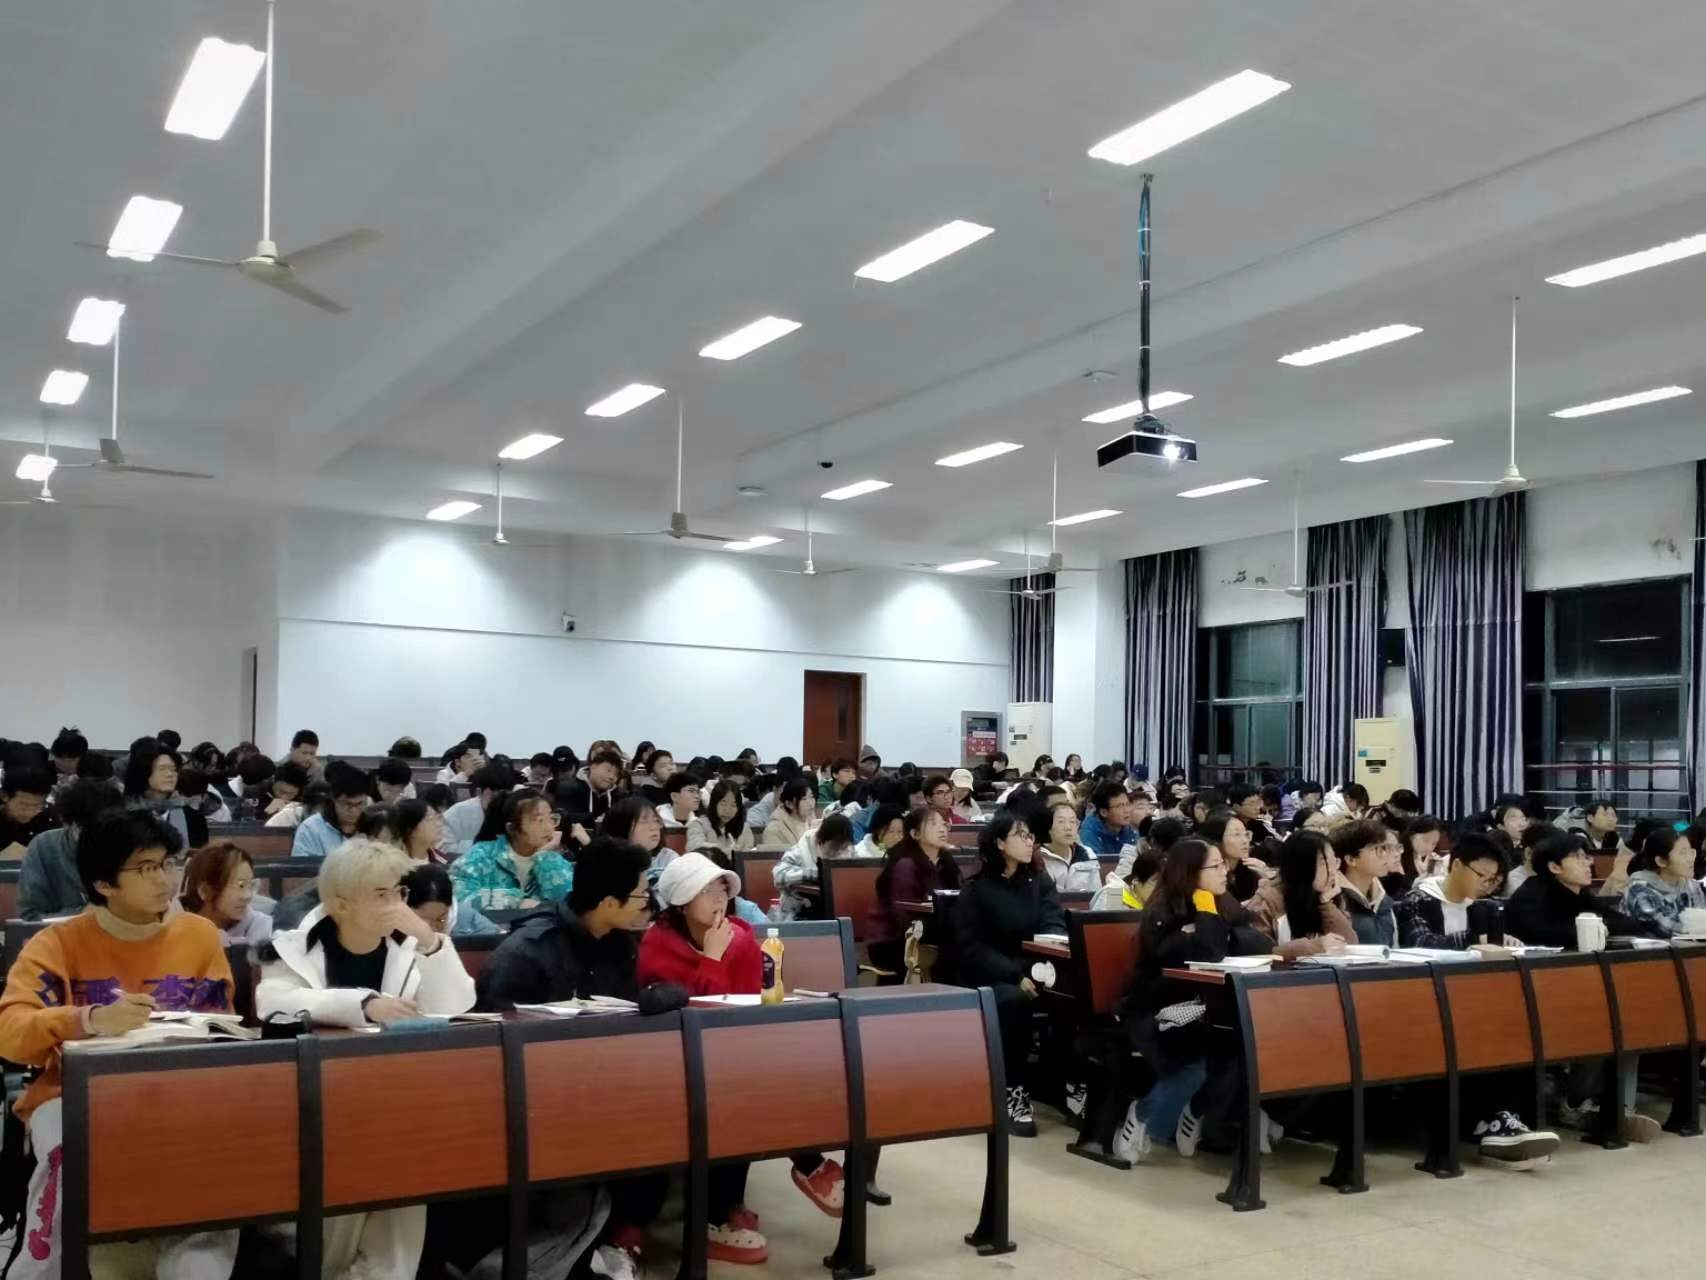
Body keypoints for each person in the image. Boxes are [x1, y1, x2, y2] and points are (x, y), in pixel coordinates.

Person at [0, 809, 238, 1279]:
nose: (165, 879)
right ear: (104, 883)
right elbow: (11, 1032)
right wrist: (88, 1020)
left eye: (168, 864)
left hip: (180, 1092)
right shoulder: (57, 943)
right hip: (73, 1097)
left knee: (225, 1157)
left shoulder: (200, 936)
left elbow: (220, 1024)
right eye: (146, 868)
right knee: (70, 1159)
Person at [257, 837, 475, 1280]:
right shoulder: (292, 947)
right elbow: (274, 1002)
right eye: (381, 895)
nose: (395, 905)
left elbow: (455, 1005)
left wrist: (429, 941)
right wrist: (364, 1003)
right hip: (316, 1108)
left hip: (396, 1107)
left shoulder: (408, 949)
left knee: (402, 1203)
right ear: (341, 902)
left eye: (399, 892)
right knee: (336, 1223)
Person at [637, 853, 845, 1263]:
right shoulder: (657, 946)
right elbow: (694, 1014)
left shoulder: (742, 937)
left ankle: (730, 1207)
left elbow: (751, 1004)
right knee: (736, 1095)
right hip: (677, 1062)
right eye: (706, 891)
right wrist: (711, 958)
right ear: (681, 903)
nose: (719, 898)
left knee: (760, 1082)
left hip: (735, 1057)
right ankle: (797, 1169)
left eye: (722, 888)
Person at [1118, 838, 1278, 1161]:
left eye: (1223, 864)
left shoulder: (1222, 901)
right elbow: (1210, 951)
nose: (1224, 872)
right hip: (1159, 1011)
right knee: (1195, 1061)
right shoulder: (1162, 911)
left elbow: (1257, 942)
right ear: (1190, 873)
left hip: (1209, 1007)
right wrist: (1207, 913)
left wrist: (1213, 924)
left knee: (1243, 1050)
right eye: (1215, 866)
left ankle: (1195, 1111)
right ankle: (1143, 1115)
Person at [954, 813, 1064, 1137]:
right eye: (1021, 836)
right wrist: (1015, 974)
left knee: (1074, 999)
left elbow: (1054, 923)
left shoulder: (1039, 881)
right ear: (1000, 843)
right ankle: (1012, 1089)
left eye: (1031, 836)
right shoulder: (977, 889)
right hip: (989, 976)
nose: (1030, 842)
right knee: (1015, 1001)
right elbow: (972, 947)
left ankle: (1067, 1085)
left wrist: (1043, 962)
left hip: (1034, 969)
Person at [1505, 831, 1655, 950]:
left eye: (1586, 857)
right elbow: (1543, 934)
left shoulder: (1580, 894)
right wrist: (1595, 928)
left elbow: (1627, 923)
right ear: (1555, 867)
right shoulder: (1531, 894)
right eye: (1577, 857)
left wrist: (1600, 926)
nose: (1587, 864)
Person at [864, 807, 963, 979]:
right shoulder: (906, 865)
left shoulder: (946, 862)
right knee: (957, 953)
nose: (942, 829)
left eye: (943, 824)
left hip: (930, 932)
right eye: (933, 824)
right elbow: (905, 916)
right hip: (893, 940)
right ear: (915, 834)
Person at [450, 789, 574, 912]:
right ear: (512, 828)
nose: (549, 827)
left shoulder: (554, 859)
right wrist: (516, 902)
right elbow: (458, 896)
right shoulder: (482, 855)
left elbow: (570, 905)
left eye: (551, 819)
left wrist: (545, 857)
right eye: (539, 820)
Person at [18, 777, 121, 920]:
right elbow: (29, 916)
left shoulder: (128, 845)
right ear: (68, 823)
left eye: (106, 831)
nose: (96, 838)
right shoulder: (44, 847)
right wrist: (81, 915)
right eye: (87, 831)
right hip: (60, 931)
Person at [1246, 831, 1355, 959]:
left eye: (1334, 862)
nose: (1331, 871)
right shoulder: (1266, 903)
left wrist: (1326, 904)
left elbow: (1349, 944)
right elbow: (1258, 956)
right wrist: (1313, 947)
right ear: (1301, 866)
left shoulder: (1330, 897)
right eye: (1323, 863)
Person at [1393, 833, 1510, 950]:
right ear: (1457, 865)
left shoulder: (1482, 907)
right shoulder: (1417, 900)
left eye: (1490, 879)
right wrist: (1475, 940)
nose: (1486, 885)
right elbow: (1419, 943)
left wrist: (1503, 940)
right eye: (1482, 875)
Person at [120, 736, 206, 852]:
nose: (170, 774)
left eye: (173, 769)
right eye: (162, 769)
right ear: (143, 772)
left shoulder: (193, 816)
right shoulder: (124, 816)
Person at [1618, 827, 1705, 938]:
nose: (1690, 859)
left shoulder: (1691, 885)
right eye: (1683, 853)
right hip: (1648, 948)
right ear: (1661, 861)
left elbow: (1701, 917)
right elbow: (1663, 929)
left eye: (1691, 852)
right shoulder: (1639, 889)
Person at [181, 841, 273, 944]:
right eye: (240, 886)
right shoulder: (178, 925)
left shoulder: (257, 925)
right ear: (205, 891)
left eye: (251, 885)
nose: (248, 896)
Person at [773, 812, 857, 919]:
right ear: (820, 840)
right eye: (834, 846)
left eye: (843, 847)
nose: (838, 851)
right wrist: (819, 874)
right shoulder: (802, 849)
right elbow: (779, 875)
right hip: (798, 914)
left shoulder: (850, 850)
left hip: (837, 912)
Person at [1332, 819, 1399, 947]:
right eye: (1378, 849)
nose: (1386, 855)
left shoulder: (1383, 900)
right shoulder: (1334, 901)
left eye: (1386, 848)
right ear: (1351, 859)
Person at [291, 762, 373, 859]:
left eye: (359, 804)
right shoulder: (310, 828)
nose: (353, 810)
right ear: (333, 799)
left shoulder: (375, 826)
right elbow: (302, 867)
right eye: (347, 804)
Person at [402, 862, 501, 937]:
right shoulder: (396, 924)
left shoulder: (478, 929)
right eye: (422, 920)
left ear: (451, 906)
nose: (433, 928)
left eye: (441, 919)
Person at [441, 762, 517, 856]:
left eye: (506, 798)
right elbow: (444, 849)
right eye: (493, 798)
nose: (500, 803)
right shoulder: (457, 812)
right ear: (479, 792)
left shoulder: (518, 811)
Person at [1196, 810, 1268, 902]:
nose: (1245, 841)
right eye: (1236, 834)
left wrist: (1264, 878)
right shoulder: (1209, 874)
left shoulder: (1251, 869)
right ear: (1217, 839)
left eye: (1246, 834)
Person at [1032, 802, 1101, 894]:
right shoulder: (1037, 857)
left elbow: (1097, 894)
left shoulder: (1088, 854)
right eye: (1061, 822)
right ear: (1048, 826)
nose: (1068, 828)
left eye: (1072, 822)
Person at [556, 747, 627, 828]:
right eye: (608, 771)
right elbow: (561, 818)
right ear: (593, 767)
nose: (612, 777)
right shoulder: (568, 788)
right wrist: (594, 818)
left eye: (616, 774)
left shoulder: (618, 795)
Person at [0, 763, 58, 858]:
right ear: (4, 796)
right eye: (23, 805)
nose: (29, 813)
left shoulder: (49, 817)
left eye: (37, 806)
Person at [687, 778, 754, 858]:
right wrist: (724, 849)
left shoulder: (745, 828)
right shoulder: (699, 825)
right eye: (723, 804)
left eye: (733, 805)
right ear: (714, 803)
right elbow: (693, 846)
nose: (728, 810)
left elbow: (748, 857)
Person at [1385, 815, 1448, 895]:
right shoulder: (1396, 856)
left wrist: (1432, 873)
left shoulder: (1430, 859)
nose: (1429, 848)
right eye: (1425, 840)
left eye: (1434, 844)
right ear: (1412, 835)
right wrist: (1420, 883)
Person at [1079, 782, 1136, 859]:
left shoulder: (1129, 827)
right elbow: (1095, 863)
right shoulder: (1089, 834)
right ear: (1104, 812)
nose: (1127, 810)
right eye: (1120, 806)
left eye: (1127, 804)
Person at [761, 778, 816, 848]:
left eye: (811, 797)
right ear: (789, 804)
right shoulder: (774, 830)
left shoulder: (813, 821)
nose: (811, 803)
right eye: (804, 799)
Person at [396, 797, 449, 864]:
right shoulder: (394, 865)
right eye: (430, 819)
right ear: (410, 829)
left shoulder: (443, 860)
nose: (438, 824)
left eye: (437, 817)